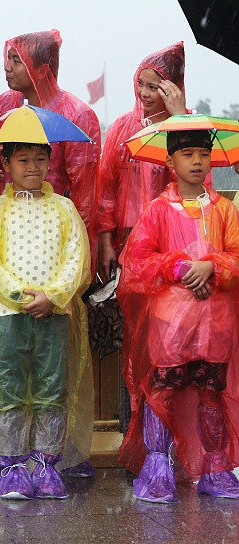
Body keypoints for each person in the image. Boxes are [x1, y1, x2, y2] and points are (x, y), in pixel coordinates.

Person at [118, 129, 239, 502]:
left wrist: (211, 267)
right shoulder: (158, 210)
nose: (197, 161)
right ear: (170, 160)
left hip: (214, 322)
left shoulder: (224, 209)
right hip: (170, 323)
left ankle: (216, 469)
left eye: (203, 153)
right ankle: (157, 469)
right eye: (188, 154)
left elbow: (236, 255)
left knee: (211, 392)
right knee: (162, 391)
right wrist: (181, 268)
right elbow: (136, 261)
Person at [0, 141, 93, 500]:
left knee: (52, 390)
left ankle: (45, 465)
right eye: (23, 159)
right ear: (6, 164)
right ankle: (11, 467)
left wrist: (53, 297)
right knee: (8, 390)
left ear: (50, 162)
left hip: (55, 315)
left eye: (40, 159)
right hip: (7, 316)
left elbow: (77, 259)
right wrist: (19, 297)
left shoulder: (64, 208)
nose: (32, 167)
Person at [0, 29, 100, 240]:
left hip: (54, 227)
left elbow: (85, 192)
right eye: (8, 58)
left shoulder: (77, 115)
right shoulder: (5, 103)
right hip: (7, 222)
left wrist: (74, 238)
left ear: (42, 70)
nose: (7, 67)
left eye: (17, 61)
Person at [96, 43, 193, 281]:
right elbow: (106, 190)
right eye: (140, 83)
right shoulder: (123, 126)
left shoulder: (189, 127)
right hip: (124, 239)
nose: (144, 93)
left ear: (173, 88)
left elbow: (194, 184)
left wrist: (179, 121)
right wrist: (106, 241)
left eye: (153, 87)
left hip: (171, 238)